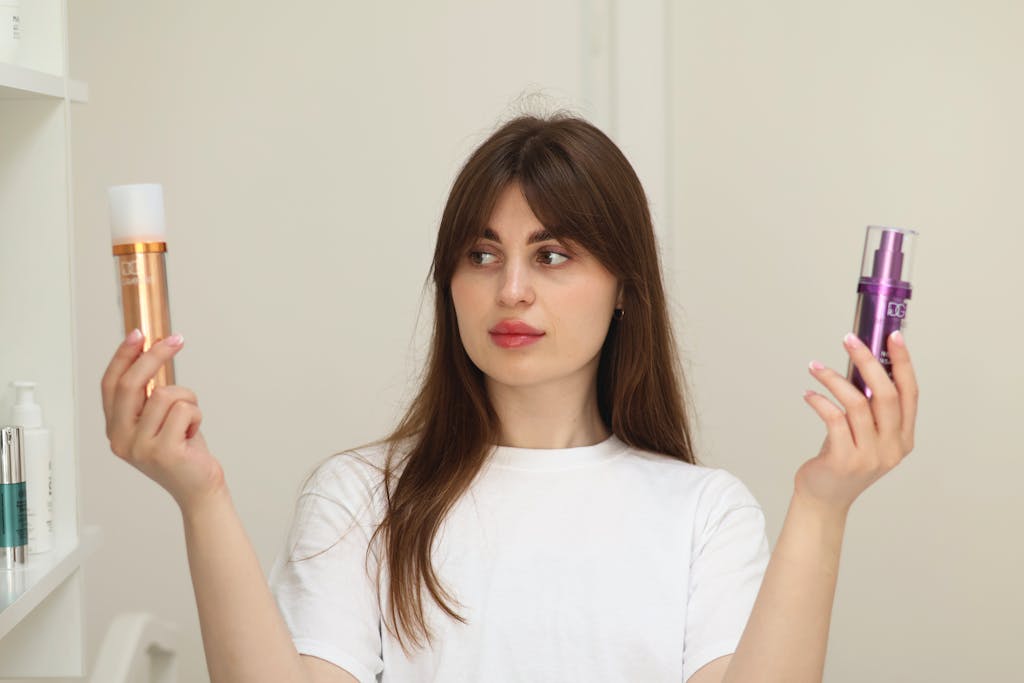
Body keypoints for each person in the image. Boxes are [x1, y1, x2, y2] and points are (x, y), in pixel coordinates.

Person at [101, 112, 919, 683]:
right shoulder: (361, 499)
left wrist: (823, 507)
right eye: (482, 255)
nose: (513, 290)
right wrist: (201, 499)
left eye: (553, 254)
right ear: (449, 283)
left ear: (624, 285)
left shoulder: (706, 514)